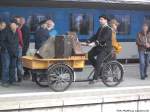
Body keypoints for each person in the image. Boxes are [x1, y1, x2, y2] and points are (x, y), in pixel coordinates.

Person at [86, 15, 112, 83]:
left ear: (106, 20)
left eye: (101, 19)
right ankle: (100, 71)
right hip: (99, 47)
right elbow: (95, 36)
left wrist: (95, 43)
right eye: (99, 19)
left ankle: (95, 78)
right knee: (89, 55)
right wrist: (89, 40)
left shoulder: (109, 29)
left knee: (98, 61)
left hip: (105, 48)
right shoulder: (100, 28)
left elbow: (103, 38)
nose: (99, 20)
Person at [0, 20, 19, 86]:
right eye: (11, 25)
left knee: (13, 67)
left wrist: (16, 52)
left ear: (17, 26)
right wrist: (5, 49)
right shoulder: (5, 31)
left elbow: (17, 43)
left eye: (14, 25)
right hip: (6, 52)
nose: (12, 26)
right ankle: (4, 81)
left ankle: (12, 81)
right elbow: (1, 41)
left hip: (14, 52)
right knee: (6, 67)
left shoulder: (16, 33)